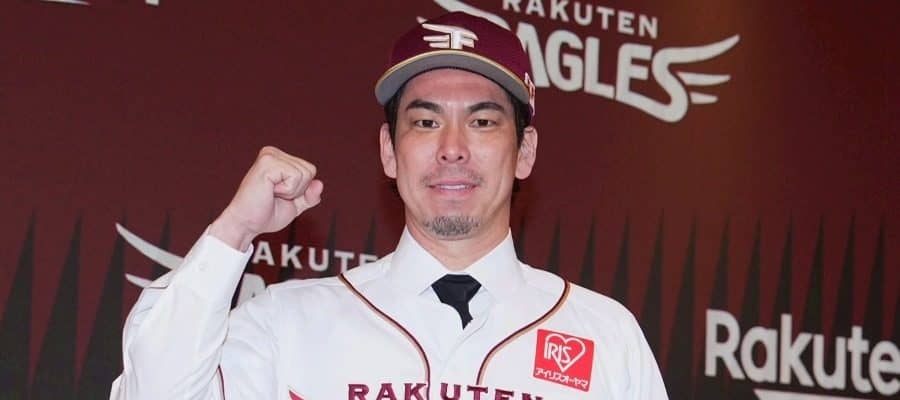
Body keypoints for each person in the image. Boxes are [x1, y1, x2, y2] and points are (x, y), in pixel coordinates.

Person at [110, 11, 668, 400]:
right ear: (388, 151)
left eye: (482, 122)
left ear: (525, 152)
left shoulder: (604, 336)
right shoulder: (291, 321)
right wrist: (234, 231)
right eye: (425, 122)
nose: (452, 148)